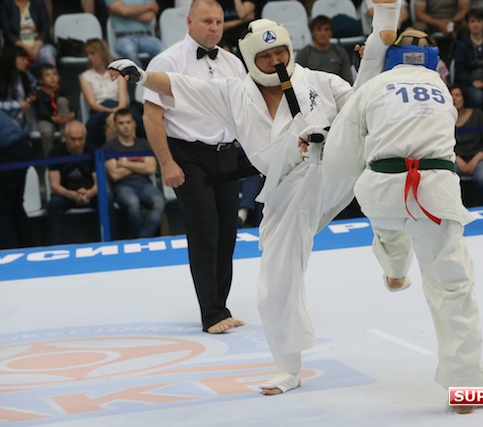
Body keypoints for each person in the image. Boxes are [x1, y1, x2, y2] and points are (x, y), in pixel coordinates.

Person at [111, 0, 402, 394]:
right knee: (275, 281)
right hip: (286, 190)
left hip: (331, 169)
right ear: (250, 60)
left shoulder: (319, 82)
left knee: (375, 162)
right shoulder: (233, 93)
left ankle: (395, 263)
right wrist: (143, 76)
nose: (276, 61)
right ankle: (288, 369)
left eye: (281, 52)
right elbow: (182, 86)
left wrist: (331, 134)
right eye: (265, 56)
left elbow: (361, 110)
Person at [323, 28, 483, 415]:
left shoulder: (371, 87)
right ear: (432, 57)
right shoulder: (441, 88)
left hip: (383, 190)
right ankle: (465, 386)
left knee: (389, 228)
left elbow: (342, 155)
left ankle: (395, 271)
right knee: (452, 288)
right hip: (434, 195)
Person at [142, 0, 247, 335]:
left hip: (226, 153)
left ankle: (221, 305)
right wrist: (166, 162)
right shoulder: (168, 60)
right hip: (188, 155)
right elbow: (152, 114)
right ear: (189, 22)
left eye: (218, 21)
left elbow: (246, 111)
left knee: (228, 232)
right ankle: (211, 313)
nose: (214, 27)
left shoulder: (233, 62)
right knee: (205, 231)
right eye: (206, 21)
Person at [104, 108, 165, 238]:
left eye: (128, 122)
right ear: (115, 126)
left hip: (145, 184)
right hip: (122, 187)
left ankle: (143, 238)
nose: (125, 126)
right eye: (121, 123)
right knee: (132, 203)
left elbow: (151, 168)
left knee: (159, 201)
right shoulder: (110, 147)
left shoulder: (144, 144)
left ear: (134, 123)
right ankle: (144, 239)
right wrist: (140, 164)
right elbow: (115, 174)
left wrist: (125, 163)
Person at [80, 38, 143, 147]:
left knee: (137, 117)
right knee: (93, 124)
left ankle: (143, 148)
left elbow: (123, 98)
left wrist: (117, 112)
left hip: (119, 106)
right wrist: (110, 111)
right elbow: (92, 103)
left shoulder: (118, 72)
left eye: (92, 53)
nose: (89, 57)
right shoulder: (85, 77)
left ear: (102, 53)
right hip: (100, 109)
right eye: (87, 54)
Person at [46, 121, 99, 245]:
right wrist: (74, 195)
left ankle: (110, 240)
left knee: (106, 199)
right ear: (65, 137)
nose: (77, 143)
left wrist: (88, 194)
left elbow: (99, 182)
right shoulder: (55, 152)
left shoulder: (94, 151)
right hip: (66, 195)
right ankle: (55, 246)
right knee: (54, 204)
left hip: (89, 194)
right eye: (73, 139)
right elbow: (54, 186)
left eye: (81, 139)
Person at [451, 84, 483, 205]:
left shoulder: (477, 115)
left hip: (478, 158)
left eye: (457, 95)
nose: (454, 98)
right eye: (451, 95)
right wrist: (458, 160)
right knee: (449, 177)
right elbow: (443, 144)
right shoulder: (445, 119)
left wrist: (475, 161)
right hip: (455, 159)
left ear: (464, 98)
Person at [0, 109, 35, 250]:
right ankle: (29, 248)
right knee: (15, 205)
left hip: (10, 151)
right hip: (21, 147)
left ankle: (5, 253)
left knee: (2, 207)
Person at [295, 15, 354, 85]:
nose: (323, 33)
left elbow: (348, 81)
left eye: (326, 29)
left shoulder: (341, 53)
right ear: (312, 33)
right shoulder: (303, 54)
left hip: (337, 89)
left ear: (331, 33)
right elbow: (300, 81)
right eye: (318, 29)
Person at [106, 0, 167, 66]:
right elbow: (124, 11)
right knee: (129, 51)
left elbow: (149, 17)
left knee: (163, 49)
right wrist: (148, 6)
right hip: (123, 37)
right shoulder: (148, 5)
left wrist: (126, 12)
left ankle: (160, 72)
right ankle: (139, 73)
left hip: (146, 37)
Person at [0, 0, 58, 66]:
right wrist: (28, 50)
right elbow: (8, 33)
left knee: (47, 54)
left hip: (40, 45)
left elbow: (45, 28)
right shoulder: (5, 5)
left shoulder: (38, 3)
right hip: (17, 47)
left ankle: (50, 72)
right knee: (17, 59)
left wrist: (36, 47)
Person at [35, 65, 75, 158]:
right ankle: (50, 160)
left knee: (62, 101)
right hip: (47, 120)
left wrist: (72, 114)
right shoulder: (39, 94)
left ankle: (67, 153)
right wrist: (53, 118)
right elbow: (41, 111)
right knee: (46, 131)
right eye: (47, 75)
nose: (52, 77)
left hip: (65, 120)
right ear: (41, 80)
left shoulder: (64, 90)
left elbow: (73, 105)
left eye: (54, 74)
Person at [0, 45, 37, 133]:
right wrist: (17, 104)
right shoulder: (2, 80)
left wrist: (30, 98)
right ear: (12, 60)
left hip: (22, 123)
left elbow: (35, 87)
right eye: (22, 59)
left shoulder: (25, 76)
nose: (26, 62)